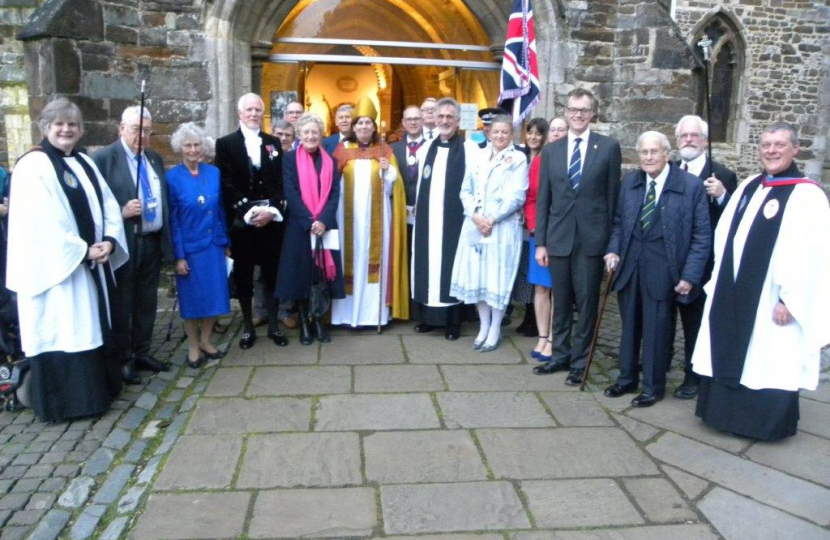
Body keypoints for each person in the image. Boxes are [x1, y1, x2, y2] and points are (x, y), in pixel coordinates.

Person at [692, 122, 830, 440]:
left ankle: (762, 424)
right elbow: (726, 233)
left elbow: (814, 253)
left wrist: (791, 299)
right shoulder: (752, 185)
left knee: (769, 357)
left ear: (796, 148)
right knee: (735, 349)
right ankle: (723, 416)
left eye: (779, 145)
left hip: (773, 299)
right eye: (766, 145)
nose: (771, 151)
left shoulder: (808, 196)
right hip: (734, 290)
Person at [7, 98, 128, 422]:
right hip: (56, 274)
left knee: (89, 328)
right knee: (64, 328)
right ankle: (66, 404)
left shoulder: (84, 163)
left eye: (72, 124)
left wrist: (109, 242)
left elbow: (108, 206)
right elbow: (42, 222)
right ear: (46, 127)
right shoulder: (33, 166)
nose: (66, 130)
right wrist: (81, 250)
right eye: (59, 124)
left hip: (90, 266)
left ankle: (97, 394)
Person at [603, 131, 711, 407]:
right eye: (643, 152)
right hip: (630, 265)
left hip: (664, 269)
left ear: (667, 154)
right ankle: (626, 378)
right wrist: (613, 250)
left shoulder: (690, 186)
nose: (648, 157)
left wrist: (690, 275)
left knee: (656, 330)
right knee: (629, 327)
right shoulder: (630, 183)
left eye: (654, 152)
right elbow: (618, 223)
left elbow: (702, 236)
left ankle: (653, 387)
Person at [533, 88, 622, 386]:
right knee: (560, 300)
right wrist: (541, 242)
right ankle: (559, 355)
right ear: (567, 111)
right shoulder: (552, 150)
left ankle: (580, 361)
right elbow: (543, 199)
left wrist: (611, 245)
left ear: (593, 113)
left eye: (584, 110)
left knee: (586, 304)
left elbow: (612, 201)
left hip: (591, 241)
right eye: (573, 109)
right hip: (558, 239)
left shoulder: (608, 148)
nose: (578, 115)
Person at [92, 105, 174, 384]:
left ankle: (142, 351)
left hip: (151, 240)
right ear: (121, 129)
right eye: (137, 129)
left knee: (146, 301)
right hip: (126, 242)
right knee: (124, 302)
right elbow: (94, 205)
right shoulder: (104, 159)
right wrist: (121, 210)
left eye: (148, 131)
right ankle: (123, 358)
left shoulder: (153, 158)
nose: (143, 136)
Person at [671, 115, 738, 399]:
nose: (689, 139)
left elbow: (735, 220)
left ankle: (693, 375)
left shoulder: (721, 174)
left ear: (704, 140)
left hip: (702, 265)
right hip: (668, 259)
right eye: (684, 135)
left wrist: (722, 196)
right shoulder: (670, 169)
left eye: (694, 135)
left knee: (694, 323)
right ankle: (657, 365)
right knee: (663, 319)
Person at [215, 93, 287, 349]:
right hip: (242, 224)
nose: (254, 114)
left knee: (271, 275)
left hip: (270, 222)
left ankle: (274, 326)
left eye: (258, 109)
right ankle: (247, 326)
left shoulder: (273, 143)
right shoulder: (225, 144)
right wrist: (247, 212)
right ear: (239, 113)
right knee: (244, 276)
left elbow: (279, 183)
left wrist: (272, 212)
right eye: (249, 110)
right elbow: (226, 184)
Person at [450, 115, 527, 352]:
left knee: (497, 278)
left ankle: (495, 329)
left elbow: (517, 195)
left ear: (511, 134)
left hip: (501, 227)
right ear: (488, 133)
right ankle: (483, 326)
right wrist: (474, 215)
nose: (500, 136)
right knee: (479, 277)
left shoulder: (518, 158)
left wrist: (491, 219)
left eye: (505, 132)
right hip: (475, 224)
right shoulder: (478, 156)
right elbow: (465, 189)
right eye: (496, 132)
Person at [331, 97, 409, 327]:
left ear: (374, 126)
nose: (364, 127)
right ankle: (345, 315)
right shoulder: (342, 150)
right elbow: (331, 181)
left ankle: (373, 315)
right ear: (352, 127)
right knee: (350, 260)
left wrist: (389, 171)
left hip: (377, 218)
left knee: (374, 259)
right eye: (359, 123)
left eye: (368, 123)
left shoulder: (384, 150)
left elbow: (395, 186)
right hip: (348, 219)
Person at [411, 97, 480, 340]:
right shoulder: (425, 148)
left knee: (452, 267)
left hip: (455, 221)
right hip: (428, 220)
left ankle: (453, 322)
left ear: (458, 121)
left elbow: (475, 186)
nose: (444, 121)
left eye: (449, 117)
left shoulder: (470, 150)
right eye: (440, 116)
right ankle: (429, 318)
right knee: (427, 265)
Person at [276, 113, 346, 343]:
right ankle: (304, 324)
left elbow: (334, 193)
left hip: (325, 226)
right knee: (302, 275)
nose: (310, 136)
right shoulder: (289, 159)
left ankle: (319, 321)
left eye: (314, 132)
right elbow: (291, 193)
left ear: (321, 134)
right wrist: (309, 221)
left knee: (321, 276)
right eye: (306, 132)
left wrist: (323, 220)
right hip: (300, 226)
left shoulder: (330, 161)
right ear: (299, 135)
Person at [166, 123, 231, 369]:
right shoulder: (172, 177)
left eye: (196, 144)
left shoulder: (213, 173)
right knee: (192, 301)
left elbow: (220, 209)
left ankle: (206, 340)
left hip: (213, 245)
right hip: (190, 249)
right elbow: (173, 219)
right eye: (188, 145)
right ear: (180, 148)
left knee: (214, 297)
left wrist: (225, 241)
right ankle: (193, 346)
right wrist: (179, 256)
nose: (193, 150)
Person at [525, 117, 560, 361]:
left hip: (564, 234)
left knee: (559, 289)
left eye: (562, 130)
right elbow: (532, 198)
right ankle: (542, 335)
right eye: (554, 130)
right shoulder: (539, 161)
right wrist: (536, 231)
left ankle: (554, 339)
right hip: (541, 233)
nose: (557, 134)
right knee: (541, 288)